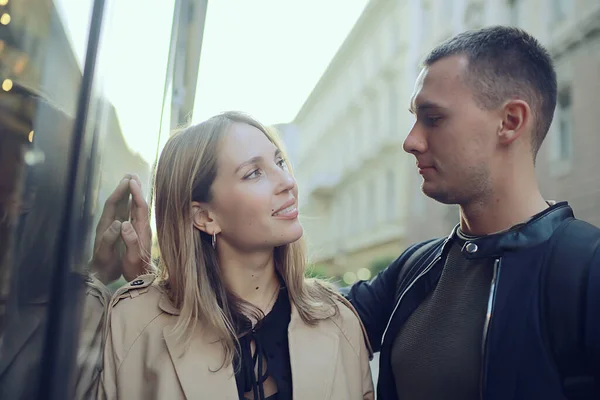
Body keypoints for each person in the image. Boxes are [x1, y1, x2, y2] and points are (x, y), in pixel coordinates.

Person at [345, 26, 600, 400]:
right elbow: (299, 321)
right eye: (415, 119)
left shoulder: (587, 269)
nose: (411, 141)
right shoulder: (415, 268)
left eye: (433, 119)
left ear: (510, 122)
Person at [98, 111, 374, 400]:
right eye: (254, 173)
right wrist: (100, 273)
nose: (287, 182)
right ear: (204, 216)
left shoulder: (339, 319)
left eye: (280, 161)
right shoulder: (134, 322)